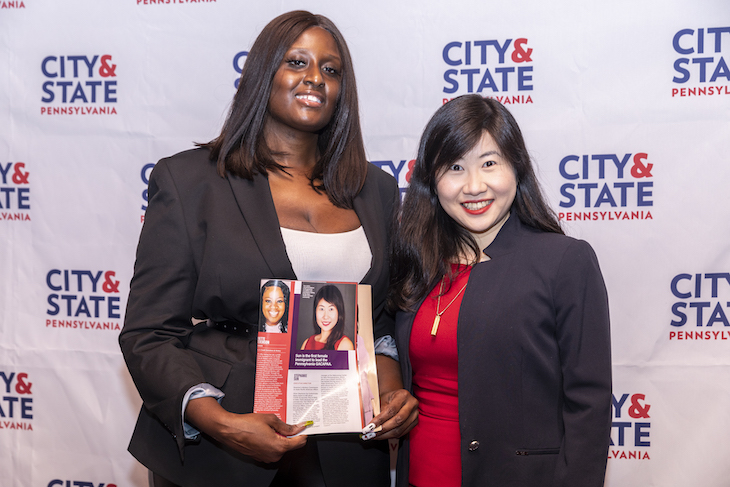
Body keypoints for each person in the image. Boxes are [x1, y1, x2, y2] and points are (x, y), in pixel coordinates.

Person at [120, 10, 417, 487]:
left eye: (331, 68)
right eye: (296, 62)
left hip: (346, 451)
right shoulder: (191, 181)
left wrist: (393, 388)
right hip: (224, 449)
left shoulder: (375, 190)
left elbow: (378, 322)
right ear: (262, 73)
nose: (315, 77)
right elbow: (149, 333)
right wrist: (219, 422)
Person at [390, 95, 612, 487]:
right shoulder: (416, 263)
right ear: (431, 180)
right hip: (420, 474)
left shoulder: (564, 262)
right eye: (455, 167)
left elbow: (589, 404)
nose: (474, 186)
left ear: (515, 167)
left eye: (489, 163)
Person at [300, 284, 354, 350]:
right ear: (315, 311)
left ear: (339, 312)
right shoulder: (307, 342)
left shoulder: (345, 344)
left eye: (331, 309)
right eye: (322, 309)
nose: (325, 316)